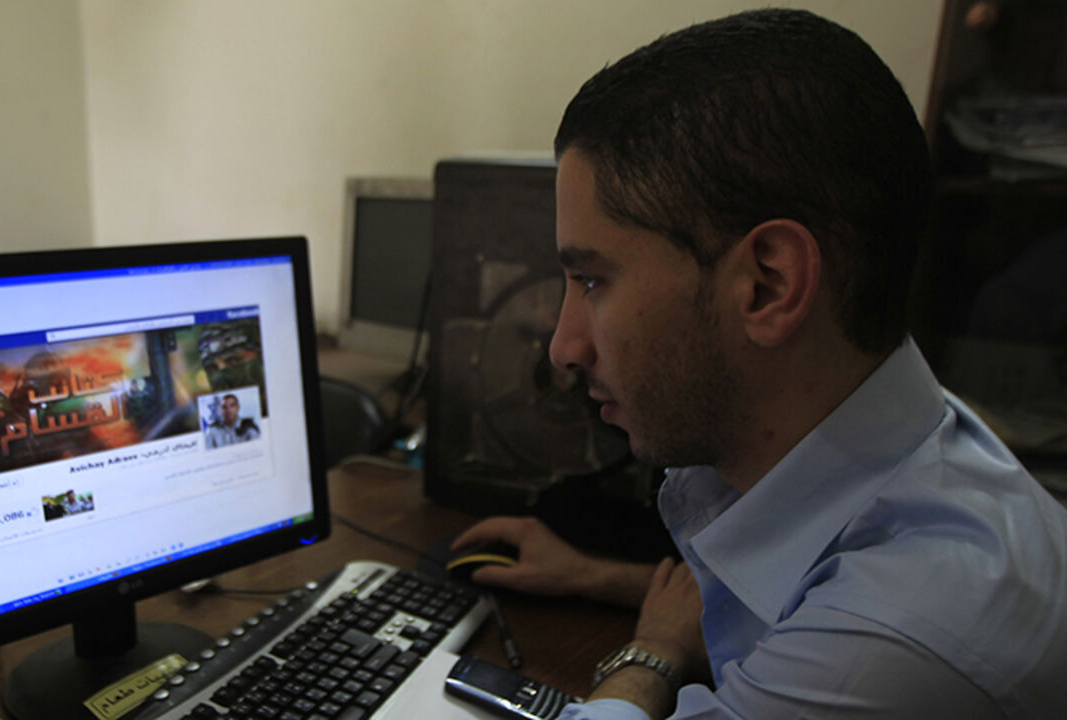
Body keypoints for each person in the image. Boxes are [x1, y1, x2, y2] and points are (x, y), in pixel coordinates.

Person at [452, 8, 1067, 719]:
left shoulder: (902, 637)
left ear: (769, 285)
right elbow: (794, 604)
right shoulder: (914, 441)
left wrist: (649, 655)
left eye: (593, 282)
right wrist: (599, 577)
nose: (564, 347)